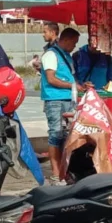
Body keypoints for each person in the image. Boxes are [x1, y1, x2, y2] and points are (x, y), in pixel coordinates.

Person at [40, 27, 86, 184]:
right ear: (65, 40)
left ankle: (64, 170)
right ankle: (55, 172)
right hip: (55, 100)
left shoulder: (67, 56)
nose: (74, 46)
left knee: (67, 135)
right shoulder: (51, 55)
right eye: (73, 43)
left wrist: (80, 86)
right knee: (56, 134)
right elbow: (51, 79)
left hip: (69, 100)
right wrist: (72, 86)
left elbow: (70, 79)